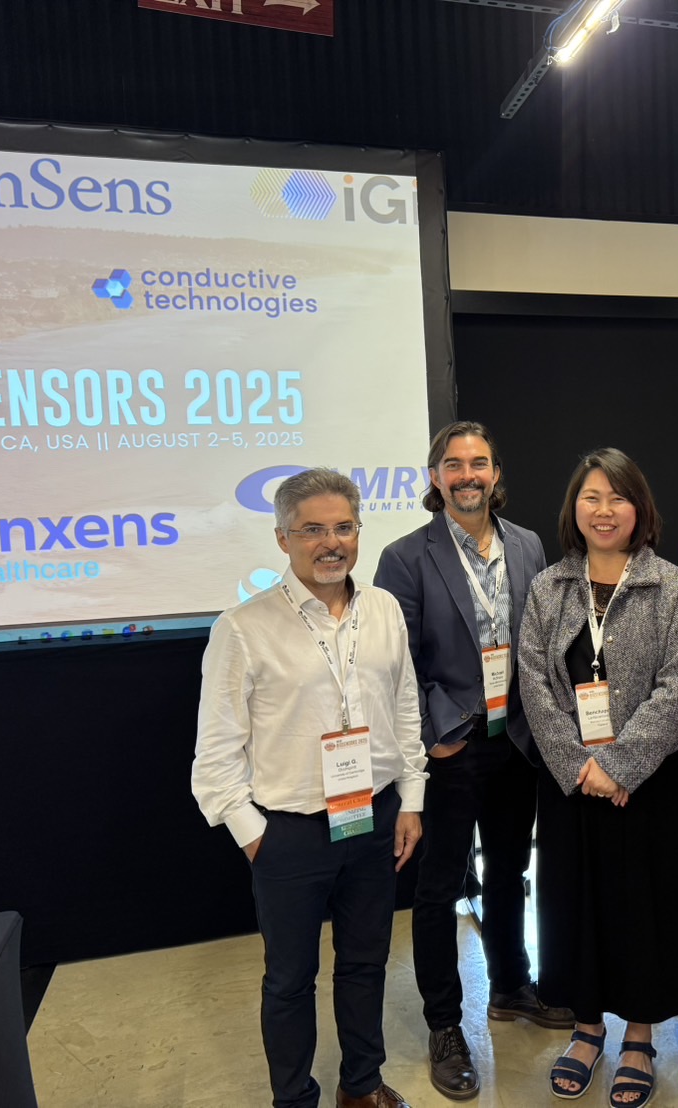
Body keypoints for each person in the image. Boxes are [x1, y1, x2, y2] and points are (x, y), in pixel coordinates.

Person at [518, 448, 678, 1107]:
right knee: (575, 906)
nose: (603, 510)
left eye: (617, 497)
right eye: (590, 497)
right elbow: (534, 685)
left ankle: (641, 1036)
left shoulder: (671, 587)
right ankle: (587, 1028)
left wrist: (620, 766)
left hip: (653, 783)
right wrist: (579, 766)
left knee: (645, 906)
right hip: (571, 783)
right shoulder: (548, 588)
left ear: (639, 508)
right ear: (573, 508)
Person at [192, 467, 426, 1108]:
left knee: (365, 964)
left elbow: (405, 708)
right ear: (282, 539)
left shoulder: (383, 610)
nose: (332, 543)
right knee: (290, 981)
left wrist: (411, 799)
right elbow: (215, 754)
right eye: (313, 530)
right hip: (289, 833)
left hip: (374, 821)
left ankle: (361, 1086)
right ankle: (294, 1099)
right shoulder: (243, 628)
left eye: (344, 527)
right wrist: (256, 837)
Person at [374, 421, 571, 1101]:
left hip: (515, 740)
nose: (467, 475)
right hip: (452, 747)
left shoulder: (527, 544)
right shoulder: (405, 557)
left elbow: (540, 640)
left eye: (478, 463)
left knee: (511, 871)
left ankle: (511, 986)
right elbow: (398, 664)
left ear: (495, 473)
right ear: (434, 477)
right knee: (438, 890)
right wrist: (434, 735)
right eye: (453, 464)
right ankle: (445, 1026)